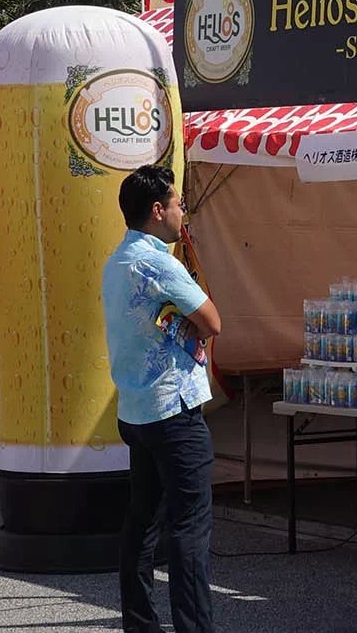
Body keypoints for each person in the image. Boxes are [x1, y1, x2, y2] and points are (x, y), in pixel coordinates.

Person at [101, 165, 221, 633]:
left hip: (136, 409)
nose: (182, 211)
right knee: (190, 528)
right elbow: (212, 321)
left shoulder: (118, 261)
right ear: (157, 210)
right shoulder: (158, 262)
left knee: (142, 523)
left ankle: (140, 623)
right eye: (178, 204)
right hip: (173, 409)